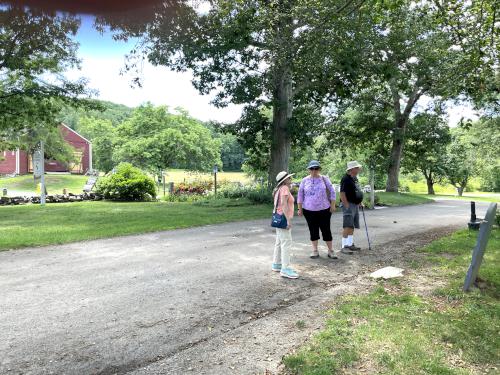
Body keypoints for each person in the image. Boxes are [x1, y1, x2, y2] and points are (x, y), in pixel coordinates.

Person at [297, 160, 338, 259]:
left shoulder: (325, 179)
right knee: (313, 230)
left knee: (326, 230)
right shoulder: (304, 180)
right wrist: (300, 209)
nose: (314, 170)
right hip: (308, 210)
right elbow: (300, 195)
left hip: (324, 209)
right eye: (312, 168)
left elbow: (332, 192)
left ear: (319, 169)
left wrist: (333, 205)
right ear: (308, 170)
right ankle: (315, 250)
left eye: (316, 168)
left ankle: (330, 250)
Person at [272, 171, 299, 279]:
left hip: (278, 217)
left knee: (279, 242)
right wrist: (288, 220)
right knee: (286, 243)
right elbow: (283, 204)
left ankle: (277, 264)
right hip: (283, 217)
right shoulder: (284, 188)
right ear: (284, 180)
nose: (290, 179)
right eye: (289, 178)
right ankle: (285, 268)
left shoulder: (279, 189)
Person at [340, 161, 364, 252]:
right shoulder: (345, 178)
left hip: (355, 204)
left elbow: (356, 191)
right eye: (357, 168)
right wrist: (346, 205)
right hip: (348, 204)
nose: (358, 169)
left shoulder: (354, 178)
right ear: (352, 169)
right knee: (347, 225)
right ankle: (344, 246)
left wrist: (359, 201)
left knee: (352, 225)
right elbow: (342, 193)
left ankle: (350, 244)